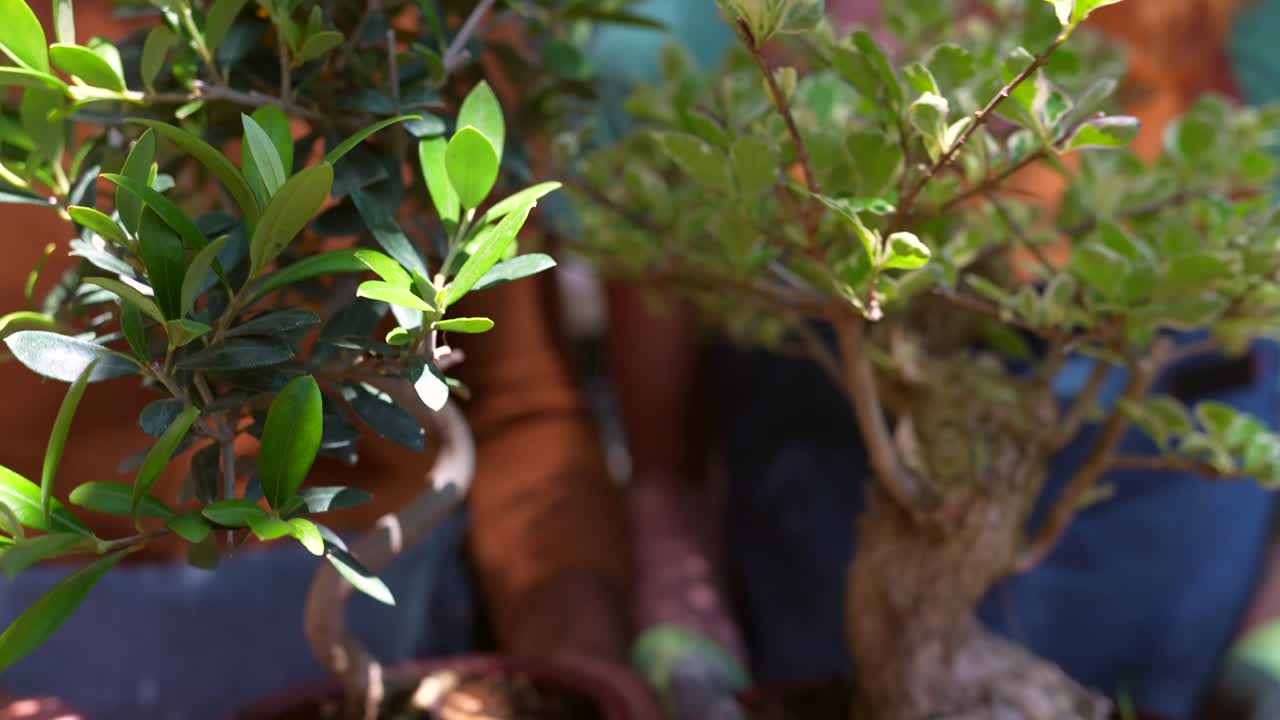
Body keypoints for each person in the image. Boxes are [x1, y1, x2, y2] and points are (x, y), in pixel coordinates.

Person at [598, 0, 1280, 718]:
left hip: (1193, 668)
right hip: (820, 658)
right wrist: (684, 631)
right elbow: (664, 473)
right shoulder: (696, 34)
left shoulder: (1248, 26)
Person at [0, 4, 633, 718]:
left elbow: (524, 413)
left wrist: (576, 666)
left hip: (394, 619)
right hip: (53, 641)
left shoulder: (431, 42)